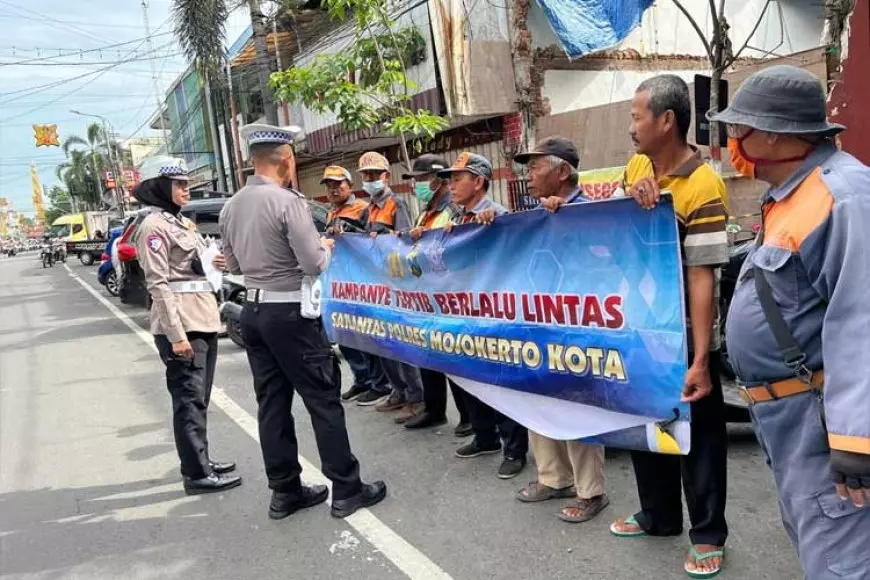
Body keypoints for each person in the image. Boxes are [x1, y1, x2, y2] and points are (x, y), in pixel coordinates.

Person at [710, 65, 870, 580]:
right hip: (788, 416)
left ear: (774, 133)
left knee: (840, 557)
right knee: (816, 539)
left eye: (740, 128)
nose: (733, 140)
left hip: (822, 419)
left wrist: (855, 438)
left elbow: (861, 319)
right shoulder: (791, 193)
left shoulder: (843, 195)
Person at [217, 124, 386, 520]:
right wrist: (325, 246)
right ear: (287, 160)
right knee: (323, 400)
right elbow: (312, 264)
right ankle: (346, 489)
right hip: (291, 313)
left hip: (254, 312)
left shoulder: (231, 206)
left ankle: (285, 492)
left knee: (272, 404)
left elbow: (235, 265)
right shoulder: (287, 202)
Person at [608, 75, 729, 579]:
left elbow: (703, 278)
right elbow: (612, 221)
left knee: (698, 436)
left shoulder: (704, 183)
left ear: (666, 121)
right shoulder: (637, 164)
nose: (631, 126)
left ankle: (707, 533)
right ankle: (657, 515)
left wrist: (701, 358)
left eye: (637, 117)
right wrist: (631, 196)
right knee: (646, 427)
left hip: (683, 334)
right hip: (641, 328)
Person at [511, 137, 609, 523]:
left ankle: (591, 490)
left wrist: (565, 220)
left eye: (535, 167)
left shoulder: (591, 214)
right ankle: (553, 478)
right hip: (538, 326)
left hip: (576, 329)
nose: (528, 176)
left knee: (576, 408)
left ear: (562, 171)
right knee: (539, 402)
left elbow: (601, 266)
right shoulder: (532, 217)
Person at [132, 155, 241, 496]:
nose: (185, 189)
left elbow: (192, 267)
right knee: (189, 401)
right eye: (178, 184)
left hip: (202, 317)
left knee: (199, 398)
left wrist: (212, 263)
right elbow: (158, 284)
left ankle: (201, 460)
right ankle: (196, 474)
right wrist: (177, 336)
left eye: (185, 183)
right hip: (182, 325)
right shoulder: (153, 227)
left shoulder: (181, 223)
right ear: (158, 187)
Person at [438, 152, 529, 479]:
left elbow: (511, 258)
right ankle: (484, 436)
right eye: (449, 179)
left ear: (478, 182)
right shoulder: (456, 218)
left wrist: (491, 227)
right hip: (464, 312)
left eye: (457, 178)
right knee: (469, 376)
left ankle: (514, 449)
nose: (451, 185)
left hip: (494, 314)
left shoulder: (496, 216)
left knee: (500, 382)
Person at [399, 154, 471, 435]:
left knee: (453, 360)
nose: (416, 185)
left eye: (420, 179)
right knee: (427, 356)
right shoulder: (426, 210)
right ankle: (435, 409)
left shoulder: (451, 210)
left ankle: (468, 417)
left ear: (438, 179)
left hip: (448, 295)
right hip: (426, 295)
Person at [355, 151, 427, 424]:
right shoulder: (369, 207)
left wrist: (382, 238)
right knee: (384, 343)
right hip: (378, 285)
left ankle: (415, 397)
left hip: (397, 283)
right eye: (367, 176)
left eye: (375, 175)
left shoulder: (396, 204)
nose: (371, 180)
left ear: (386, 176)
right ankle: (398, 391)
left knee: (402, 344)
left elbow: (405, 242)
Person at [319, 165, 391, 403]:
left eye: (338, 184)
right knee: (345, 334)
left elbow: (369, 239)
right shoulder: (331, 212)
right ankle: (361, 379)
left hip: (360, 283)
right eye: (329, 186)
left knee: (366, 334)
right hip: (339, 283)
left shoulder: (361, 208)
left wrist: (349, 230)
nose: (333, 189)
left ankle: (378, 383)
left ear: (349, 186)